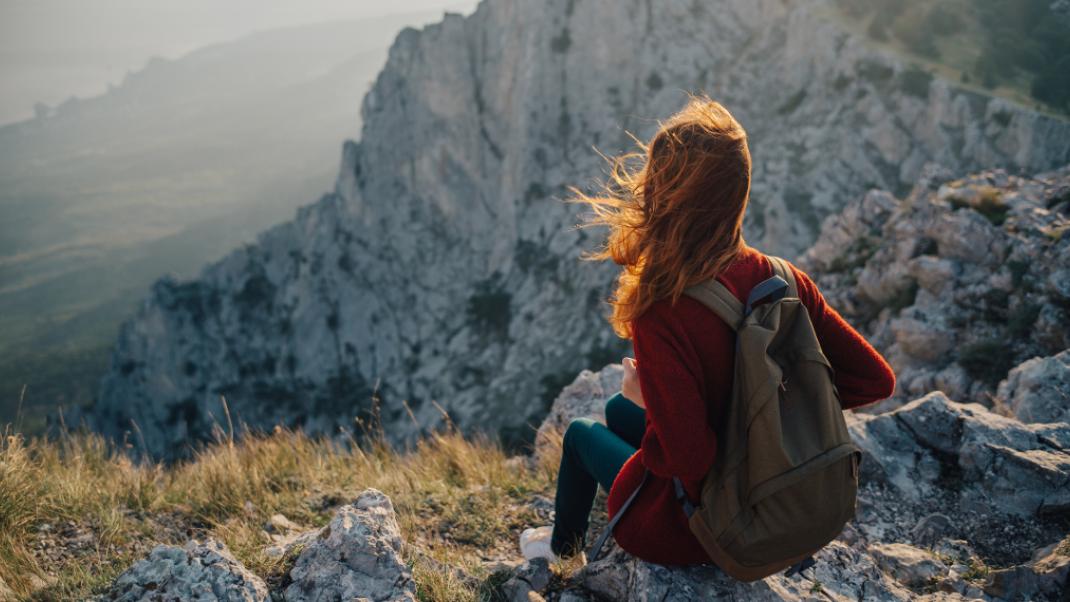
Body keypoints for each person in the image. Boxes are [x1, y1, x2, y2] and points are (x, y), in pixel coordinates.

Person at [519, 93, 896, 566]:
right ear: (738, 191)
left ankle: (559, 551)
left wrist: (651, 399)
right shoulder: (784, 279)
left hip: (704, 530)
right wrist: (777, 420)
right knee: (617, 409)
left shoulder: (663, 310)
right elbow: (876, 380)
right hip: (776, 493)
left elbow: (689, 462)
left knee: (579, 435)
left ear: (662, 196)